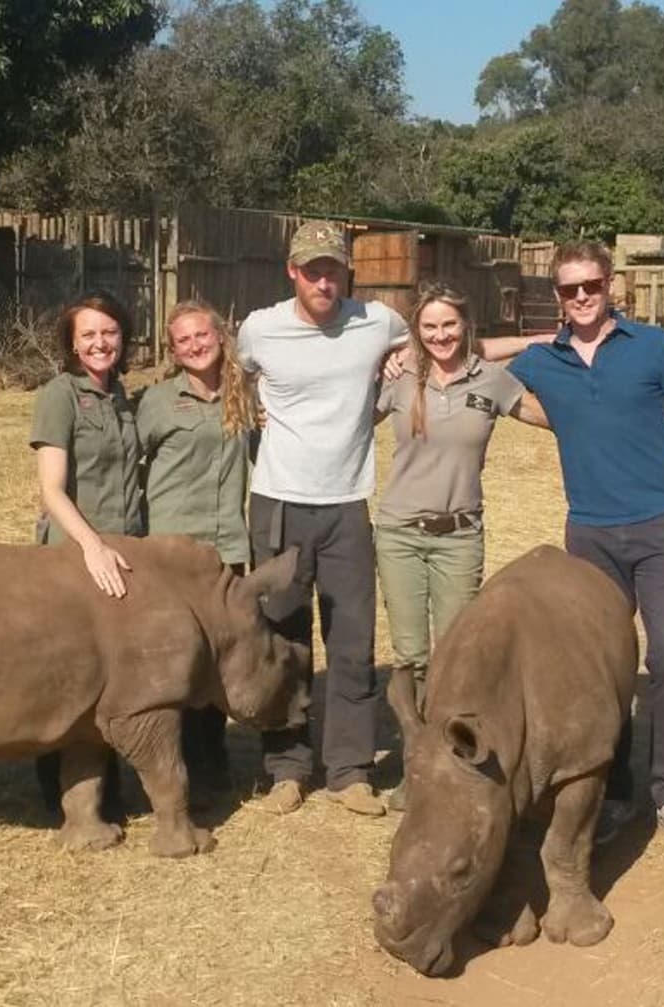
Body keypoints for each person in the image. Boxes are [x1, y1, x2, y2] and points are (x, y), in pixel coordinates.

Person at [506, 239, 664, 847]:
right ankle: (614, 791)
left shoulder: (653, 346)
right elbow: (460, 351)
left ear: (612, 286)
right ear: (555, 296)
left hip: (661, 525)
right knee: (602, 669)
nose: (581, 298)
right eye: (568, 289)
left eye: (591, 286)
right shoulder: (544, 359)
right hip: (591, 534)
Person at [238, 220, 409, 818]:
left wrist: (397, 360)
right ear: (292, 272)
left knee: (352, 641)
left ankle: (350, 770)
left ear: (346, 271)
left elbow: (421, 342)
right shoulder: (260, 328)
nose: (323, 279)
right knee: (284, 639)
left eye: (332, 268)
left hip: (346, 506)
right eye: (312, 269)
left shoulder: (378, 322)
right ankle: (287, 766)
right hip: (278, 503)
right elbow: (232, 372)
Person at [374, 281, 550, 810]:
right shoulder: (399, 376)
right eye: (428, 327)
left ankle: (450, 767)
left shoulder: (490, 380)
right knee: (412, 655)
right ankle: (416, 769)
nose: (440, 335)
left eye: (449, 325)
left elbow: (550, 416)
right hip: (400, 533)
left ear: (466, 325)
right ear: (415, 331)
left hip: (460, 536)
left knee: (454, 659)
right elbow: (344, 417)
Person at [28, 290, 143, 818]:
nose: (100, 343)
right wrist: (91, 545)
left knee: (111, 670)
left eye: (109, 332)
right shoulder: (60, 395)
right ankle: (61, 790)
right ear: (72, 345)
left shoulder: (123, 395)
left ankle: (105, 781)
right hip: (75, 556)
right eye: (88, 335)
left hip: (122, 553)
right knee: (68, 674)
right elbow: (51, 489)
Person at [137, 299, 252, 801]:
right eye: (182, 340)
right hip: (170, 554)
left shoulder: (245, 396)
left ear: (221, 336)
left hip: (226, 551)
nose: (194, 346)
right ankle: (167, 766)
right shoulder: (157, 402)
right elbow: (130, 469)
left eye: (201, 335)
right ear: (173, 350)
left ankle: (211, 763)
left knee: (215, 659)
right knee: (171, 661)